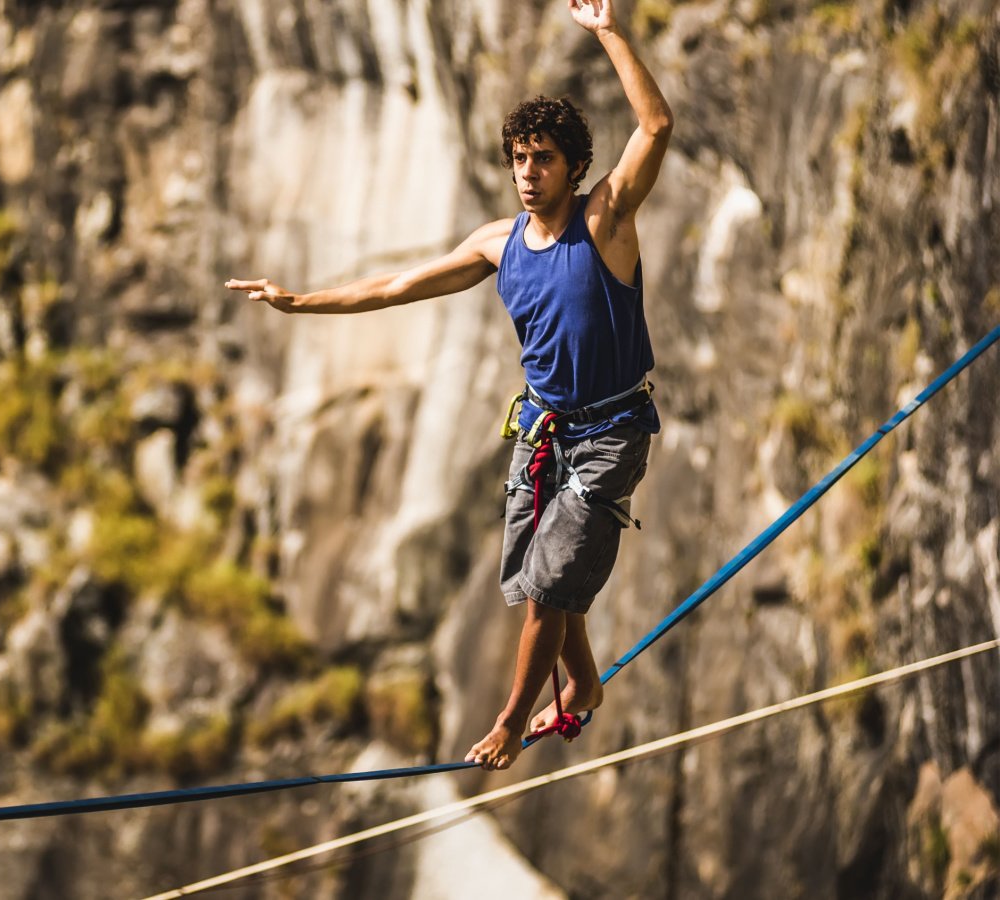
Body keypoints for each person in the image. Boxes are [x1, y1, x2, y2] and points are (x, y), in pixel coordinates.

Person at [226, 0, 672, 771]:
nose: (528, 175)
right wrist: (301, 301)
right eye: (519, 161)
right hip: (544, 431)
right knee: (542, 575)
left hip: (609, 434)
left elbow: (657, 128)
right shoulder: (497, 245)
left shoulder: (604, 222)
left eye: (543, 161)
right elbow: (399, 285)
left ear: (573, 167)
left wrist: (607, 32)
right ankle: (586, 684)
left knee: (546, 590)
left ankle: (508, 717)